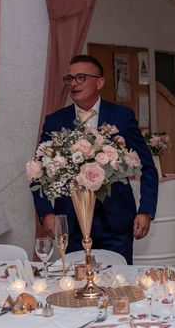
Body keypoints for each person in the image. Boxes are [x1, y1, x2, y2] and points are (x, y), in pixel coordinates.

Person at [32, 54, 158, 264]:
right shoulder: (55, 121)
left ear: (99, 82)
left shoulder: (122, 116)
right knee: (75, 284)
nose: (74, 83)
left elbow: (148, 167)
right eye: (70, 79)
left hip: (116, 220)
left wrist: (146, 211)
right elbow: (37, 172)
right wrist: (46, 214)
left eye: (81, 77)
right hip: (71, 222)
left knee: (117, 283)